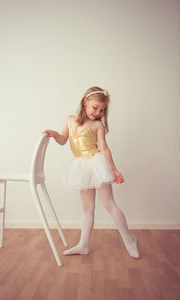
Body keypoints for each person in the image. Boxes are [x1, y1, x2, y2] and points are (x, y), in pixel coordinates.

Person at [42, 86, 140, 259]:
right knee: (87, 209)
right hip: (81, 167)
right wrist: (54, 134)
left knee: (109, 204)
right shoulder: (70, 120)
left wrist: (114, 169)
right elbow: (64, 140)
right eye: (95, 107)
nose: (97, 112)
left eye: (101, 110)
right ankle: (83, 244)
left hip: (96, 164)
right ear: (85, 102)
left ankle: (130, 239)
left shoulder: (97, 125)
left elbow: (103, 148)